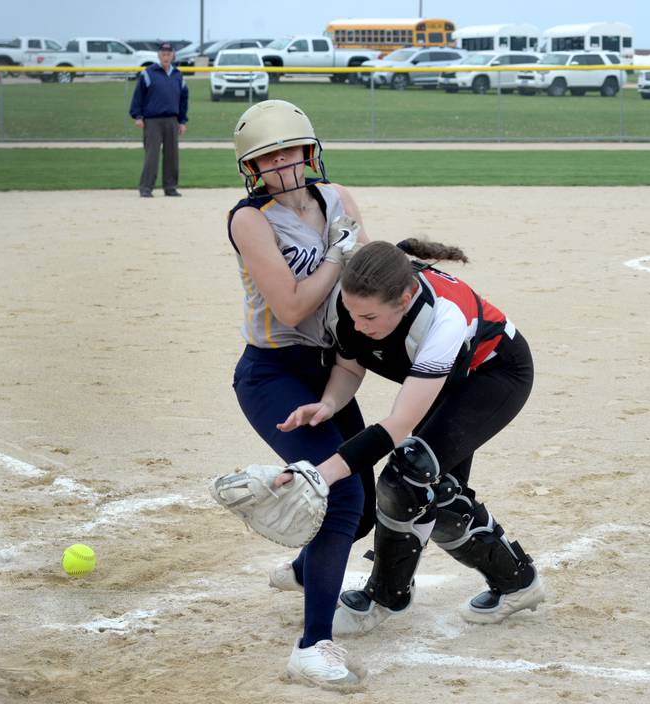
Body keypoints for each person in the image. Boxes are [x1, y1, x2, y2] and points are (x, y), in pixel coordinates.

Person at [276, 239, 546, 638]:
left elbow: (399, 424)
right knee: (437, 494)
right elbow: (350, 368)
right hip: (445, 378)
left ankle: (386, 596)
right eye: (351, 313)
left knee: (408, 476)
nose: (357, 325)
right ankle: (517, 582)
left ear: (403, 300)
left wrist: (323, 474)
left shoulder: (443, 321)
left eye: (369, 317)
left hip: (494, 374)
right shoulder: (352, 304)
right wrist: (330, 403)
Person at [227, 100, 372, 687]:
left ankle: (304, 567)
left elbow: (367, 286)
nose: (283, 162)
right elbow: (290, 304)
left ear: (310, 150)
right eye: (269, 154)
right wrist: (340, 252)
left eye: (291, 148)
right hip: (275, 371)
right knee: (340, 496)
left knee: (361, 503)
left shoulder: (339, 198)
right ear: (252, 167)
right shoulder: (249, 219)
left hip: (334, 365)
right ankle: (311, 646)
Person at [129, 42, 188, 198]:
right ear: (159, 55)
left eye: (169, 54)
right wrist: (138, 116)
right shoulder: (148, 73)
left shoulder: (178, 75)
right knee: (152, 155)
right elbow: (138, 96)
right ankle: (146, 188)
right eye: (163, 54)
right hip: (152, 120)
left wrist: (182, 121)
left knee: (172, 156)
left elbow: (183, 99)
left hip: (172, 120)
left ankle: (170, 187)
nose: (166, 56)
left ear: (173, 55)